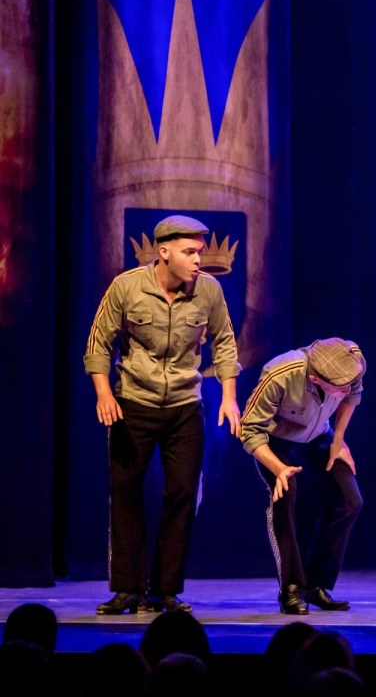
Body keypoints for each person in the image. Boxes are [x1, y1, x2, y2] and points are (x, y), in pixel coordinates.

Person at [84, 214, 241, 615]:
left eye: (200, 252)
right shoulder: (127, 287)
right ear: (164, 252)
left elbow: (224, 341)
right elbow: (100, 342)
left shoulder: (208, 291)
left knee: (182, 495)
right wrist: (104, 393)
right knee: (126, 494)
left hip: (185, 407)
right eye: (189, 252)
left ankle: (165, 590)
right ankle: (128, 589)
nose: (197, 260)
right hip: (134, 402)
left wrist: (228, 396)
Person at [239, 338, 366, 614]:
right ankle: (292, 589)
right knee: (285, 493)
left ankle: (315, 583)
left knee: (350, 500)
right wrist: (278, 467)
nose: (346, 387)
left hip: (318, 436)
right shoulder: (280, 374)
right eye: (338, 386)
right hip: (276, 441)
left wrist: (339, 440)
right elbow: (248, 429)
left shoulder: (352, 358)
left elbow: (353, 395)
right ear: (314, 379)